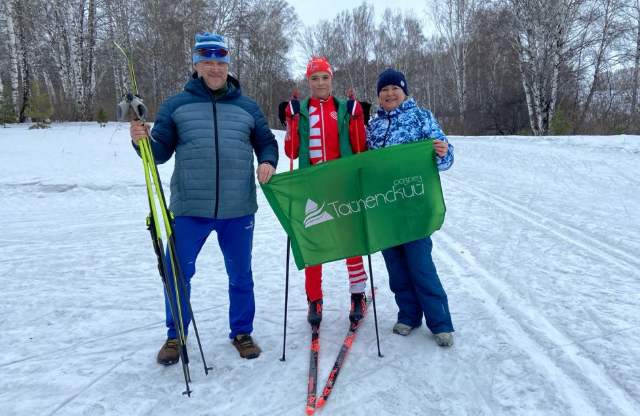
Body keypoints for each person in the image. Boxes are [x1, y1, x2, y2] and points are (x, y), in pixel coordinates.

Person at [129, 32, 279, 363]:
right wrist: (141, 141)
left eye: (220, 62)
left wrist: (268, 160)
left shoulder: (247, 106)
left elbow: (267, 141)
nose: (215, 68)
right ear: (196, 65)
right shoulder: (176, 105)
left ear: (228, 65)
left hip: (238, 207)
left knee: (241, 274)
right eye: (207, 62)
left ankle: (242, 332)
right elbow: (159, 154)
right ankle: (175, 335)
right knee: (177, 272)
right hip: (189, 208)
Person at [366, 68, 455, 347]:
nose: (389, 94)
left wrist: (443, 152)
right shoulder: (374, 126)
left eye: (395, 88)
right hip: (385, 207)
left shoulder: (421, 117)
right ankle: (408, 315)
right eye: (384, 90)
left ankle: (440, 323)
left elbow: (446, 157)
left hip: (414, 204)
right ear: (379, 95)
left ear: (404, 91)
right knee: (395, 265)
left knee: (420, 263)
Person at [284, 56, 368, 326]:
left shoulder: (342, 108)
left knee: (349, 241)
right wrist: (291, 120)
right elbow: (291, 151)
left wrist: (357, 117)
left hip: (341, 184)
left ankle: (358, 294)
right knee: (314, 244)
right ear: (308, 81)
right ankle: (314, 299)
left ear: (332, 79)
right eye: (314, 78)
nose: (320, 83)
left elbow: (359, 147)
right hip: (312, 187)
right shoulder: (302, 110)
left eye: (325, 77)